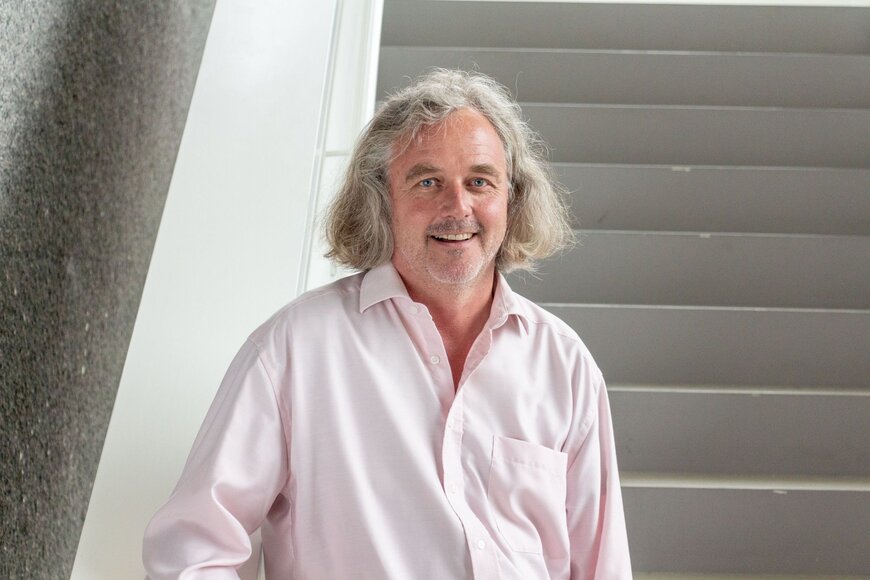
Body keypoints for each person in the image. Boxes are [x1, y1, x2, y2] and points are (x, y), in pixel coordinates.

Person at [143, 69, 631, 579]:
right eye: (427, 182)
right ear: (382, 200)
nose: (457, 206)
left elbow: (602, 568)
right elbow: (192, 552)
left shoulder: (565, 365)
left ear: (512, 197)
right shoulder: (294, 350)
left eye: (479, 181)